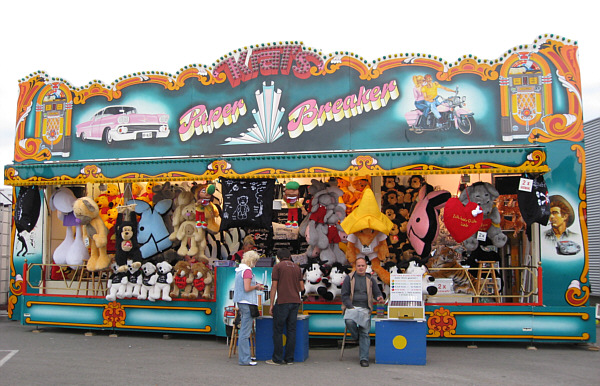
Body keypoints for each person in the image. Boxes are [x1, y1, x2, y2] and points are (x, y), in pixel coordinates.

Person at [341, 257, 384, 367]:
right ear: (355, 267)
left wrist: (379, 297)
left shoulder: (370, 279)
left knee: (365, 331)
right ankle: (357, 337)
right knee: (349, 321)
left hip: (365, 308)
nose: (360, 268)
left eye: (362, 266)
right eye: (358, 266)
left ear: (366, 267)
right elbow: (344, 295)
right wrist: (350, 306)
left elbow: (377, 292)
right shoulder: (349, 278)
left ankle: (364, 359)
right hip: (352, 307)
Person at [266, 248, 304, 365]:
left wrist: (271, 304)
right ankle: (289, 358)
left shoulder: (277, 267)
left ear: (278, 257)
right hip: (295, 302)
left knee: (278, 330)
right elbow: (301, 288)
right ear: (289, 256)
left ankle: (277, 358)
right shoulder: (297, 268)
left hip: (282, 302)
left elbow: (274, 287)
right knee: (291, 330)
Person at [232, 250, 264, 366]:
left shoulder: (240, 270)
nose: (255, 264)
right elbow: (247, 288)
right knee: (245, 332)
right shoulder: (247, 271)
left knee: (244, 332)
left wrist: (254, 286)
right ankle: (245, 359)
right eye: (255, 261)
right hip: (248, 302)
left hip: (241, 302)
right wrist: (256, 287)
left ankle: (245, 357)